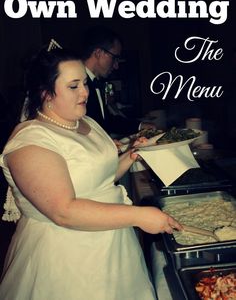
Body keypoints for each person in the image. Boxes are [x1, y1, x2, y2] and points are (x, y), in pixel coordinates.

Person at [0, 47, 181, 300]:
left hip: (113, 244)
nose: (85, 92)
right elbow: (64, 211)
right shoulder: (30, 142)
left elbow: (99, 179)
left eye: (84, 83)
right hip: (68, 257)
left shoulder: (86, 122)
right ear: (45, 93)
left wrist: (130, 156)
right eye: (73, 86)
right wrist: (138, 215)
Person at [80, 25, 154, 137]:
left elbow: (106, 122)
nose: (116, 66)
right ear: (98, 53)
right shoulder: (77, 85)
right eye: (114, 57)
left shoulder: (96, 82)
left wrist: (140, 125)